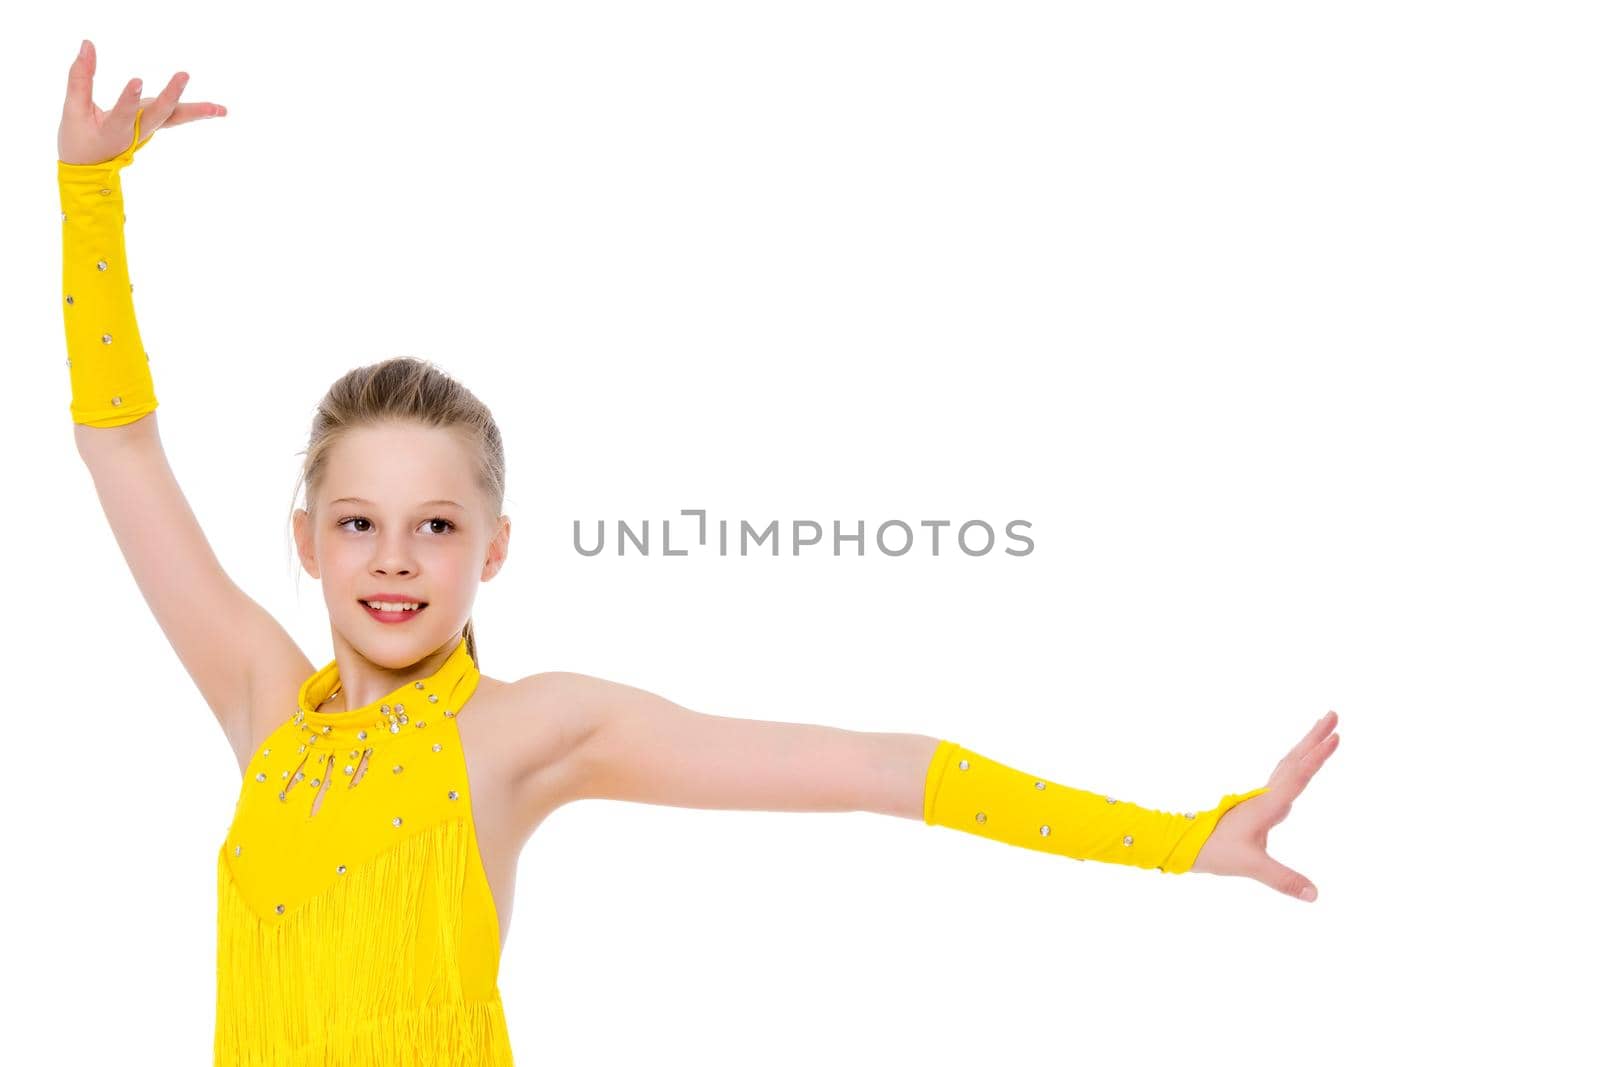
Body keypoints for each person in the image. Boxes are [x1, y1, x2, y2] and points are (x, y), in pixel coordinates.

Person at [58, 38, 1340, 1067]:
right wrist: (87, 196)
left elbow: (868, 767)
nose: (394, 559)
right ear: (307, 540)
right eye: (359, 523)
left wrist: (1171, 837)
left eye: (435, 525)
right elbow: (122, 453)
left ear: (492, 550)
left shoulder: (522, 732)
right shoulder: (264, 706)